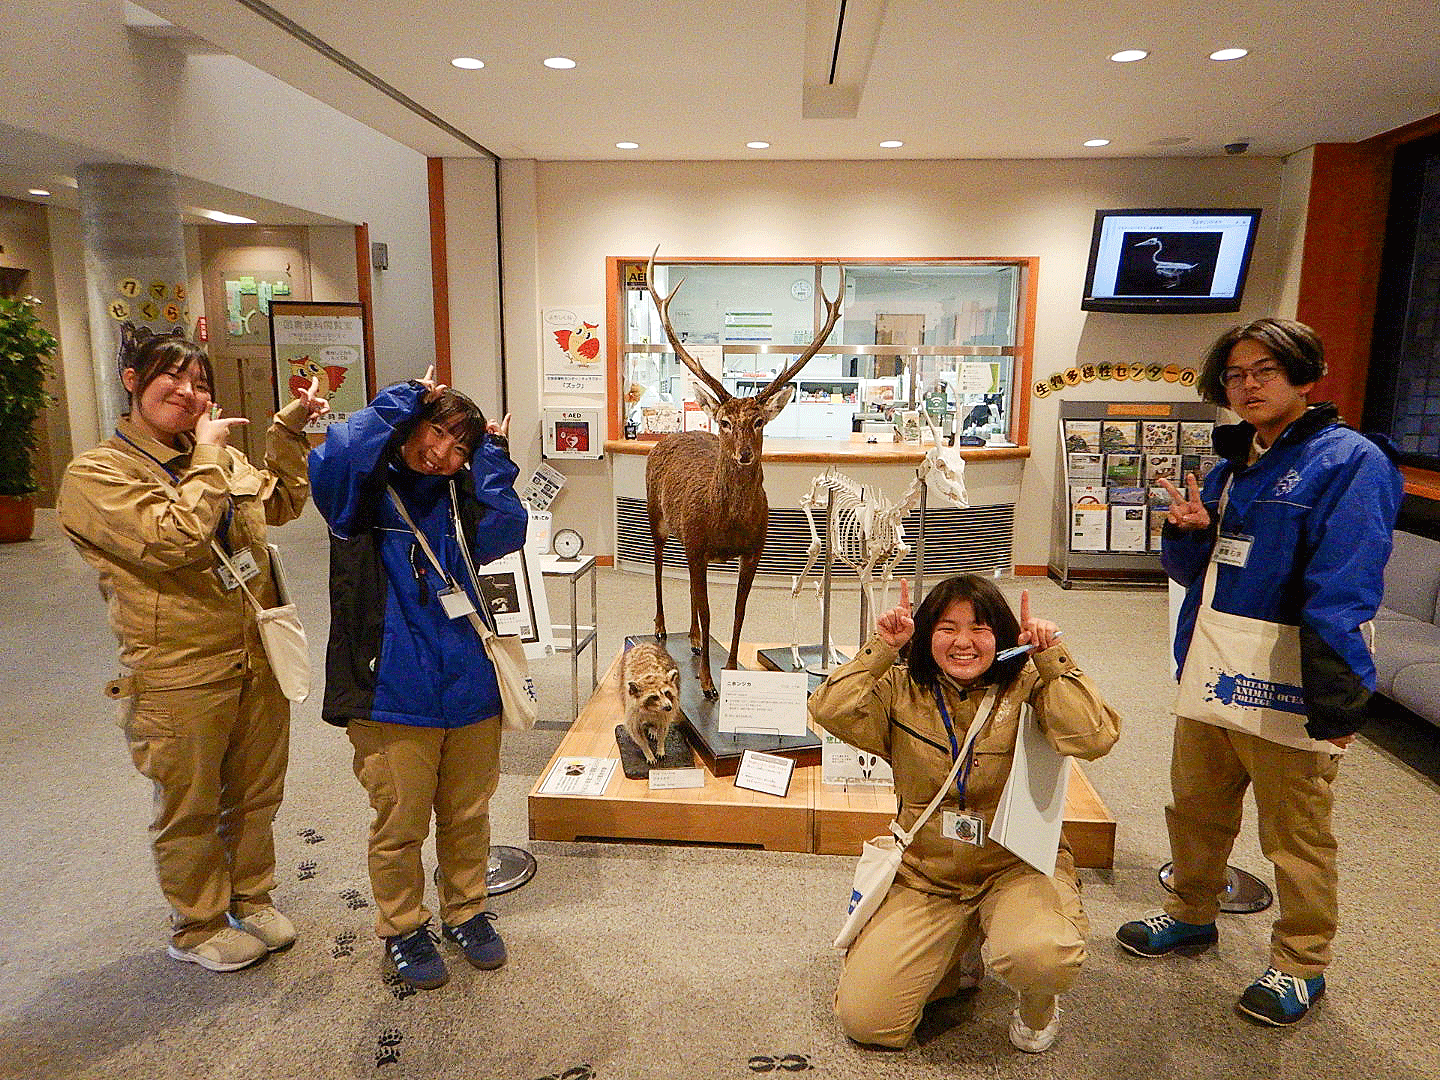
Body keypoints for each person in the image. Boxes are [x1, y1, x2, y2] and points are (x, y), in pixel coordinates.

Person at [1115, 318, 1403, 1026]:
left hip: (1289, 676)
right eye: (1236, 375)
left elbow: (1345, 588)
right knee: (1196, 807)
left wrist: (1339, 700)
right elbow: (1196, 572)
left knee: (1295, 833)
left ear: (1305, 375)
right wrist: (1185, 533)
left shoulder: (1351, 462)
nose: (1248, 386)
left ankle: (1301, 963)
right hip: (1213, 665)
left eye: (1264, 370)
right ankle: (1191, 912)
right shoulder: (1230, 464)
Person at [57, 324, 329, 972]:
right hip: (178, 669)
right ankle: (198, 925)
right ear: (132, 381)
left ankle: (251, 897)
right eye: (171, 377)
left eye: (199, 382)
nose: (187, 392)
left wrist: (287, 432)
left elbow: (283, 503)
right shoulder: (96, 473)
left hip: (254, 652)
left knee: (256, 792)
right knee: (191, 804)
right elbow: (172, 540)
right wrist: (208, 456)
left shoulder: (218, 459)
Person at [809, 574, 1121, 1054]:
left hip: (1013, 865)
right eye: (947, 627)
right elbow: (828, 710)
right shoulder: (902, 687)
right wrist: (882, 648)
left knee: (1041, 956)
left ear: (1000, 633)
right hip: (927, 873)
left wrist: (1053, 659)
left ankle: (1039, 1006)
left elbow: (1094, 737)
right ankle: (959, 950)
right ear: (927, 632)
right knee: (869, 1022)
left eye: (979, 628)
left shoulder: (1029, 684)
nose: (963, 642)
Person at [309, 367, 528, 991]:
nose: (442, 453)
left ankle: (465, 910)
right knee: (400, 821)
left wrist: (490, 456)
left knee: (468, 812)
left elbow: (507, 529)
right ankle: (403, 926)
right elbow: (336, 455)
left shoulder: (461, 496)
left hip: (469, 681)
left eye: (460, 446)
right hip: (391, 689)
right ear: (412, 425)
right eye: (436, 432)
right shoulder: (360, 492)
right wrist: (403, 399)